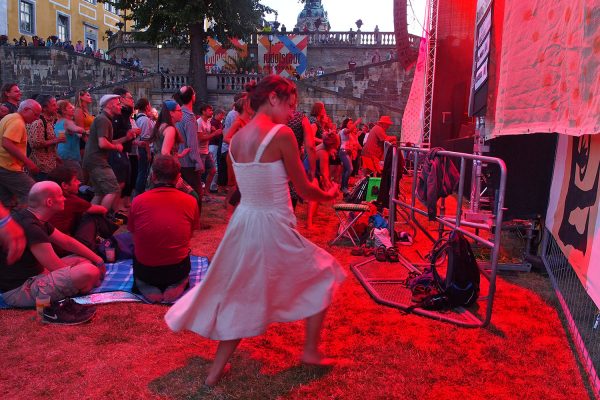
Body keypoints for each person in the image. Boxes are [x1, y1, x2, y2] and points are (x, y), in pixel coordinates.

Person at [165, 75, 346, 387]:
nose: (292, 113)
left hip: (245, 223)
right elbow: (303, 187)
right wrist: (328, 195)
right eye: (290, 106)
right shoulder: (281, 135)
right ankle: (311, 352)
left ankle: (214, 373)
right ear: (273, 99)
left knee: (242, 294)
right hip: (269, 225)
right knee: (325, 273)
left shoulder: (237, 139)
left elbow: (240, 187)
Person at [0, 181, 104, 324]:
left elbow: (67, 242)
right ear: (49, 202)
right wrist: (91, 276)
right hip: (20, 290)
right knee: (89, 271)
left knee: (83, 260)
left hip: (35, 276)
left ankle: (74, 288)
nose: (64, 199)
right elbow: (56, 267)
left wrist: (98, 259)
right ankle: (47, 309)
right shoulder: (31, 227)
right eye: (60, 196)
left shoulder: (32, 218)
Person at [129, 155, 199, 303]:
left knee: (137, 251)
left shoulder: (137, 201)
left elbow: (134, 236)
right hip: (177, 268)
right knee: (182, 255)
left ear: (153, 176)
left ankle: (144, 283)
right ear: (178, 177)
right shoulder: (191, 201)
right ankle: (178, 282)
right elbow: (189, 235)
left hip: (146, 269)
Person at [47, 165, 114, 251]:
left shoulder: (47, 196)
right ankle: (95, 245)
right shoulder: (70, 199)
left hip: (51, 245)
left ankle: (98, 240)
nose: (79, 182)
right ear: (65, 185)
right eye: (75, 180)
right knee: (92, 217)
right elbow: (102, 210)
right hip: (63, 247)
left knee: (84, 214)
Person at [82, 94, 124, 214]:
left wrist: (126, 138)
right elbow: (103, 144)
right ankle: (101, 219)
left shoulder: (103, 119)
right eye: (118, 104)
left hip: (93, 160)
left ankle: (90, 219)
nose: (120, 106)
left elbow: (106, 142)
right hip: (97, 161)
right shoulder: (103, 120)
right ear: (110, 105)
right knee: (113, 190)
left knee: (99, 192)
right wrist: (116, 147)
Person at [0, 99, 41, 207]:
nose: (36, 118)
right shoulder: (18, 122)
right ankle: (26, 221)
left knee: (7, 201)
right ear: (26, 109)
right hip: (8, 167)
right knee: (34, 193)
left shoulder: (10, 117)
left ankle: (10, 221)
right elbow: (6, 143)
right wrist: (29, 163)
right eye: (36, 115)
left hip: (3, 165)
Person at [174, 86, 203, 215]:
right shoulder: (190, 117)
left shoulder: (178, 114)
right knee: (195, 193)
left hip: (179, 158)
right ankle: (194, 219)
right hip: (189, 162)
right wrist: (198, 161)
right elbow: (192, 143)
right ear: (192, 97)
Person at [306, 131, 341, 229]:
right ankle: (309, 223)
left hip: (311, 169)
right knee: (313, 196)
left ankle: (314, 214)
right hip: (309, 171)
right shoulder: (323, 153)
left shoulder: (323, 147)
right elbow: (325, 174)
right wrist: (331, 189)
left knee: (317, 193)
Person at [27, 95, 64, 181]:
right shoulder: (39, 122)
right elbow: (36, 143)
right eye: (54, 105)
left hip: (49, 164)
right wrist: (57, 140)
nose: (57, 107)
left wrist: (55, 156)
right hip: (41, 165)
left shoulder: (48, 120)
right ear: (44, 108)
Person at [55, 99, 86, 179]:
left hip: (60, 154)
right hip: (70, 156)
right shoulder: (68, 122)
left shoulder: (58, 122)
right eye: (70, 107)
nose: (73, 108)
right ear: (64, 111)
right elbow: (78, 130)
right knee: (78, 180)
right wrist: (85, 131)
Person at [196, 104, 222, 198]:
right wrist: (215, 133)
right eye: (209, 110)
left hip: (206, 151)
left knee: (213, 170)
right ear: (203, 111)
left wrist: (212, 130)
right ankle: (198, 192)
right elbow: (201, 138)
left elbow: (207, 134)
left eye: (212, 110)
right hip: (199, 152)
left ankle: (206, 191)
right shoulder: (199, 122)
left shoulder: (208, 122)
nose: (212, 112)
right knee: (199, 174)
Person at [133, 98, 154, 196]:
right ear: (146, 107)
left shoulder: (139, 118)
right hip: (144, 149)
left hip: (142, 148)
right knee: (143, 172)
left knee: (142, 171)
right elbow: (145, 138)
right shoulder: (144, 120)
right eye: (149, 105)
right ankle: (139, 193)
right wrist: (149, 153)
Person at [338, 117, 362, 194]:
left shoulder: (350, 133)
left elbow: (355, 143)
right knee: (350, 169)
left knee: (346, 170)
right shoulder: (344, 130)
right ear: (346, 124)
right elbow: (349, 130)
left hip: (348, 152)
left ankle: (344, 187)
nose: (352, 125)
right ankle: (344, 187)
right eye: (350, 123)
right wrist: (356, 123)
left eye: (352, 123)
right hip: (343, 151)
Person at [208, 109, 225, 192]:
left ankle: (213, 185)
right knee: (215, 165)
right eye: (222, 115)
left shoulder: (217, 123)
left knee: (215, 164)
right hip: (213, 145)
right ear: (217, 114)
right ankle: (212, 186)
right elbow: (216, 134)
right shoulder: (213, 122)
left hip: (215, 145)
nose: (223, 117)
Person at [73, 90, 94, 155]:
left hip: (90, 140)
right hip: (84, 142)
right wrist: (90, 145)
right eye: (88, 95)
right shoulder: (79, 110)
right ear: (81, 97)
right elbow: (81, 131)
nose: (90, 97)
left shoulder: (86, 110)